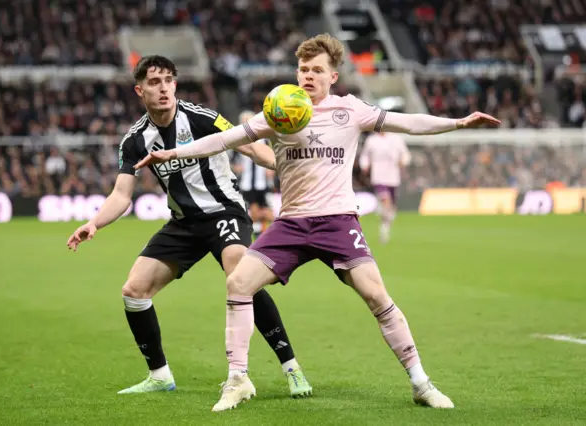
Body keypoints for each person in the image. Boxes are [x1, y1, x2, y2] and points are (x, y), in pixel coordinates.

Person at [134, 34, 500, 412]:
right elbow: (223, 140)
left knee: (377, 295)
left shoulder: (350, 110)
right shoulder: (278, 110)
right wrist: (174, 153)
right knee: (239, 282)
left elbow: (406, 123)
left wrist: (457, 123)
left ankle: (421, 383)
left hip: (337, 221)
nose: (308, 76)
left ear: (333, 77)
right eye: (303, 69)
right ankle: (238, 379)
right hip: (291, 224)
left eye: (317, 70)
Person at [66, 55, 312, 397]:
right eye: (155, 82)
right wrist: (94, 223)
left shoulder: (202, 117)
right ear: (140, 90)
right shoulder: (135, 140)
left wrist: (290, 170)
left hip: (225, 212)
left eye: (169, 80)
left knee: (241, 277)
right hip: (184, 224)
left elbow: (253, 148)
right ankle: (160, 375)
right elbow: (121, 195)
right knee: (134, 292)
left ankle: (292, 368)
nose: (164, 87)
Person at [358, 131, 411, 243]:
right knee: (385, 200)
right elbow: (365, 155)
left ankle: (385, 224)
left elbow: (405, 154)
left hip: (393, 177)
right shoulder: (371, 140)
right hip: (378, 176)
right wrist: (365, 165)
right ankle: (383, 229)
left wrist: (403, 161)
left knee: (391, 207)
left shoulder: (396, 138)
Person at [232, 110, 275, 237]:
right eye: (243, 121)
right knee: (254, 211)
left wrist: (271, 169)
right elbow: (232, 161)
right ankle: (258, 234)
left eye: (248, 121)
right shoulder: (237, 141)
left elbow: (272, 156)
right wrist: (236, 167)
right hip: (246, 183)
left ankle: (264, 231)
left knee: (268, 212)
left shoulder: (264, 140)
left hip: (263, 183)